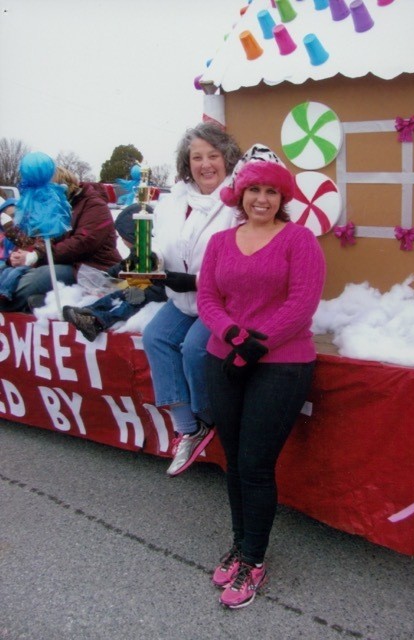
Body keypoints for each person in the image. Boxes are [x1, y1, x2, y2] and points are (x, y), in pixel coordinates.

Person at [197, 144, 326, 609]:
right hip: (223, 358)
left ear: (282, 199)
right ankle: (240, 544)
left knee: (254, 464)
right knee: (233, 461)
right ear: (241, 194)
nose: (262, 199)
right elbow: (207, 298)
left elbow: (302, 302)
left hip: (281, 364)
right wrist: (234, 336)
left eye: (272, 192)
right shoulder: (219, 242)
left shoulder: (299, 240)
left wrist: (256, 345)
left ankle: (254, 559)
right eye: (255, 190)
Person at [142, 122, 242, 477]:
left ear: (227, 158)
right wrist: (150, 260)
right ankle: (188, 427)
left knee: (196, 349)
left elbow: (241, 261)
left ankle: (209, 416)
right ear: (187, 163)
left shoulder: (237, 199)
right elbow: (159, 241)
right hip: (182, 298)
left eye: (213, 156)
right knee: (155, 337)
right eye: (196, 157)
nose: (205, 164)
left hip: (223, 301)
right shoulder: (174, 200)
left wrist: (197, 281)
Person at [0, 168, 121, 313]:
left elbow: (83, 242)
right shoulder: (56, 207)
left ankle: (6, 308)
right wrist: (21, 255)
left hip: (90, 267)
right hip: (64, 262)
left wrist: (37, 256)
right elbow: (41, 237)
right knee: (6, 270)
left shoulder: (95, 205)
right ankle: (34, 302)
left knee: (37, 278)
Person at [62, 202, 167, 341]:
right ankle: (88, 311)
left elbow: (161, 283)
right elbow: (124, 266)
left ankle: (98, 322)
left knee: (130, 302)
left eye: (123, 237)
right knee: (117, 295)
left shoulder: (157, 253)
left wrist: (143, 291)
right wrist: (108, 275)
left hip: (154, 293)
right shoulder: (139, 252)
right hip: (140, 287)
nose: (121, 240)